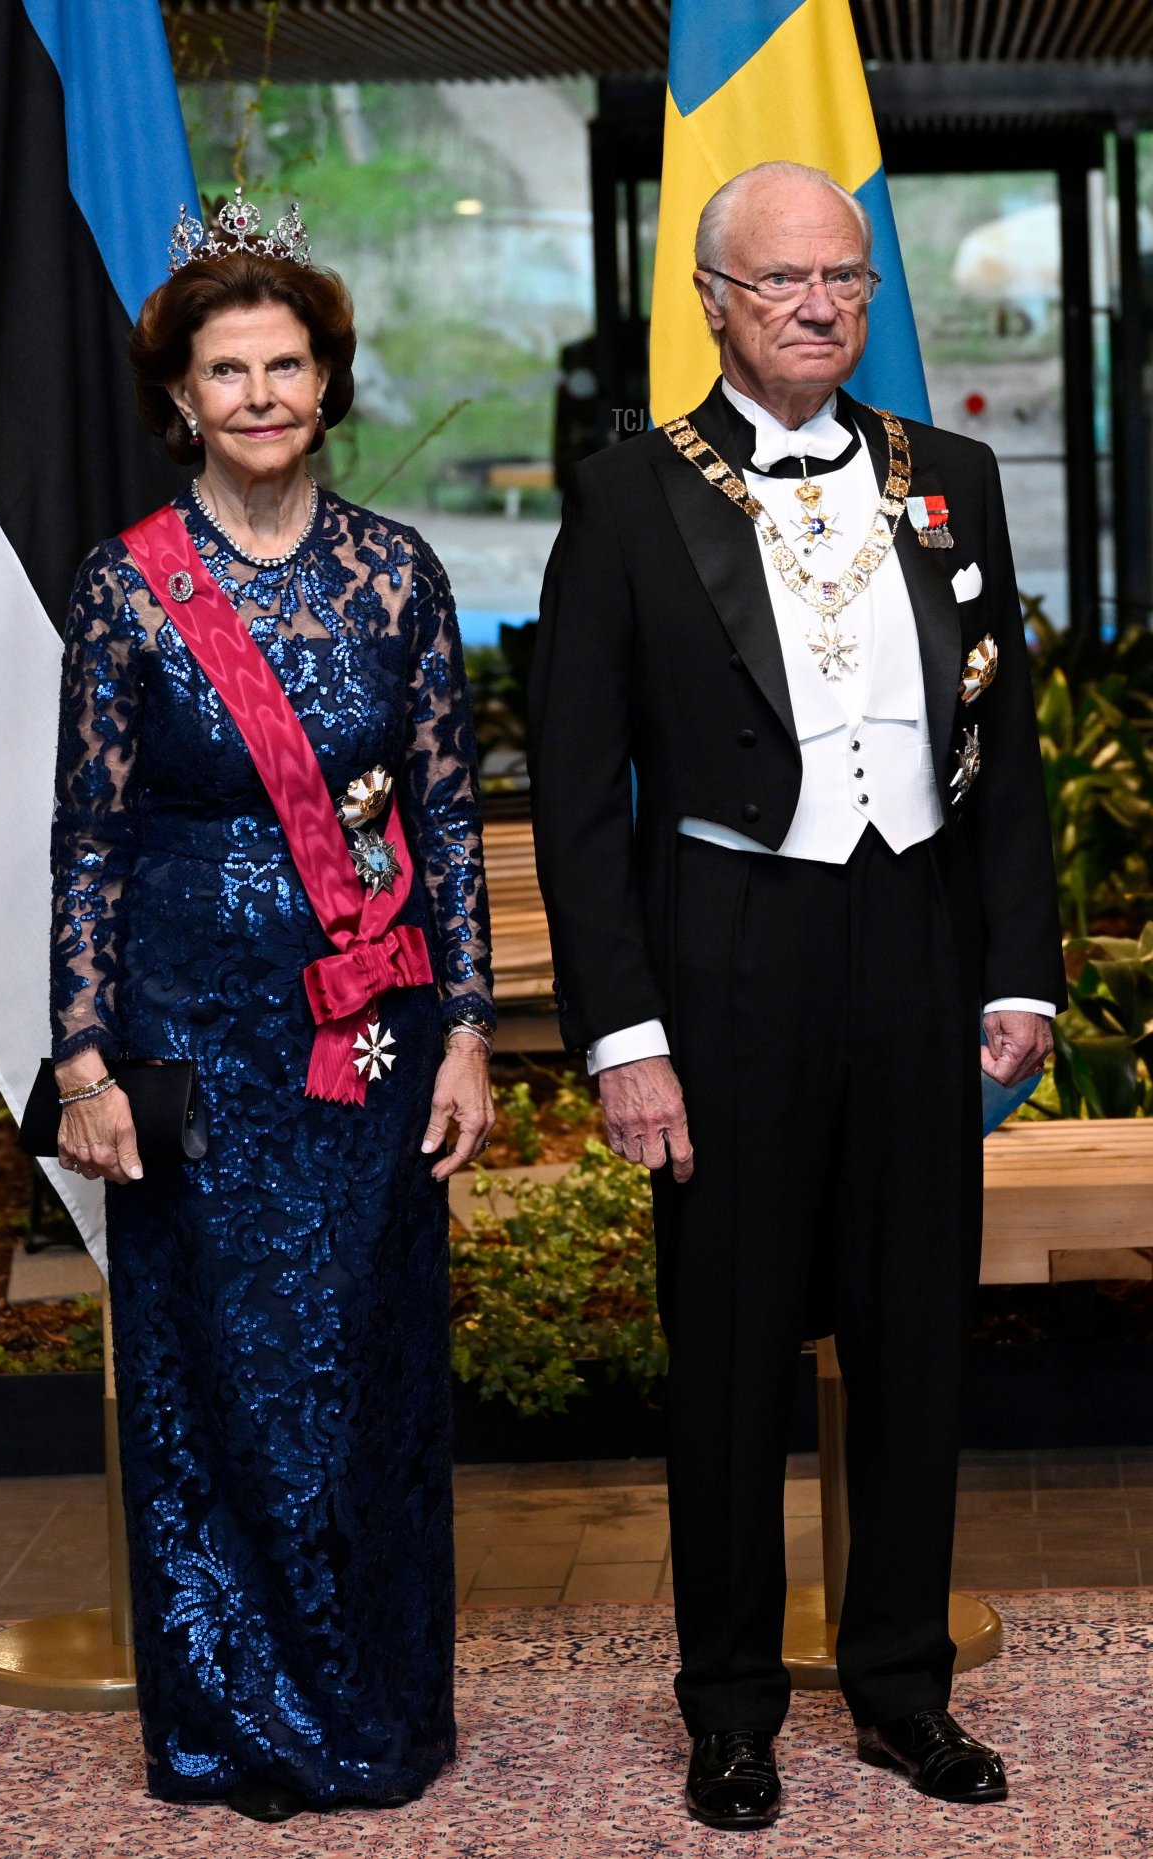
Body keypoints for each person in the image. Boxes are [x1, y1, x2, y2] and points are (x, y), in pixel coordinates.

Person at [529, 161, 1065, 1832]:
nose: (823, 302)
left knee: (916, 1339)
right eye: (783, 282)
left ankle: (901, 1690)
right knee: (737, 1352)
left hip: (913, 942)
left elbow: (1010, 759)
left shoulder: (953, 477)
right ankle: (733, 1710)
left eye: (844, 275)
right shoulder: (625, 497)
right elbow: (570, 787)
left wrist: (1021, 971)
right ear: (712, 298)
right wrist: (625, 1035)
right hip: (730, 954)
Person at [50, 195, 494, 1822]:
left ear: (328, 383)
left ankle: (374, 1709)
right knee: (209, 1373)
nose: (256, 395)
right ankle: (229, 1720)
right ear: (180, 396)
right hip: (182, 1039)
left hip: (363, 1031)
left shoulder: (398, 576)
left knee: (364, 1365)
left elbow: (446, 819)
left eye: (284, 364)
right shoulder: (126, 589)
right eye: (225, 370)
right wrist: (84, 1054)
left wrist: (469, 1032)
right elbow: (87, 830)